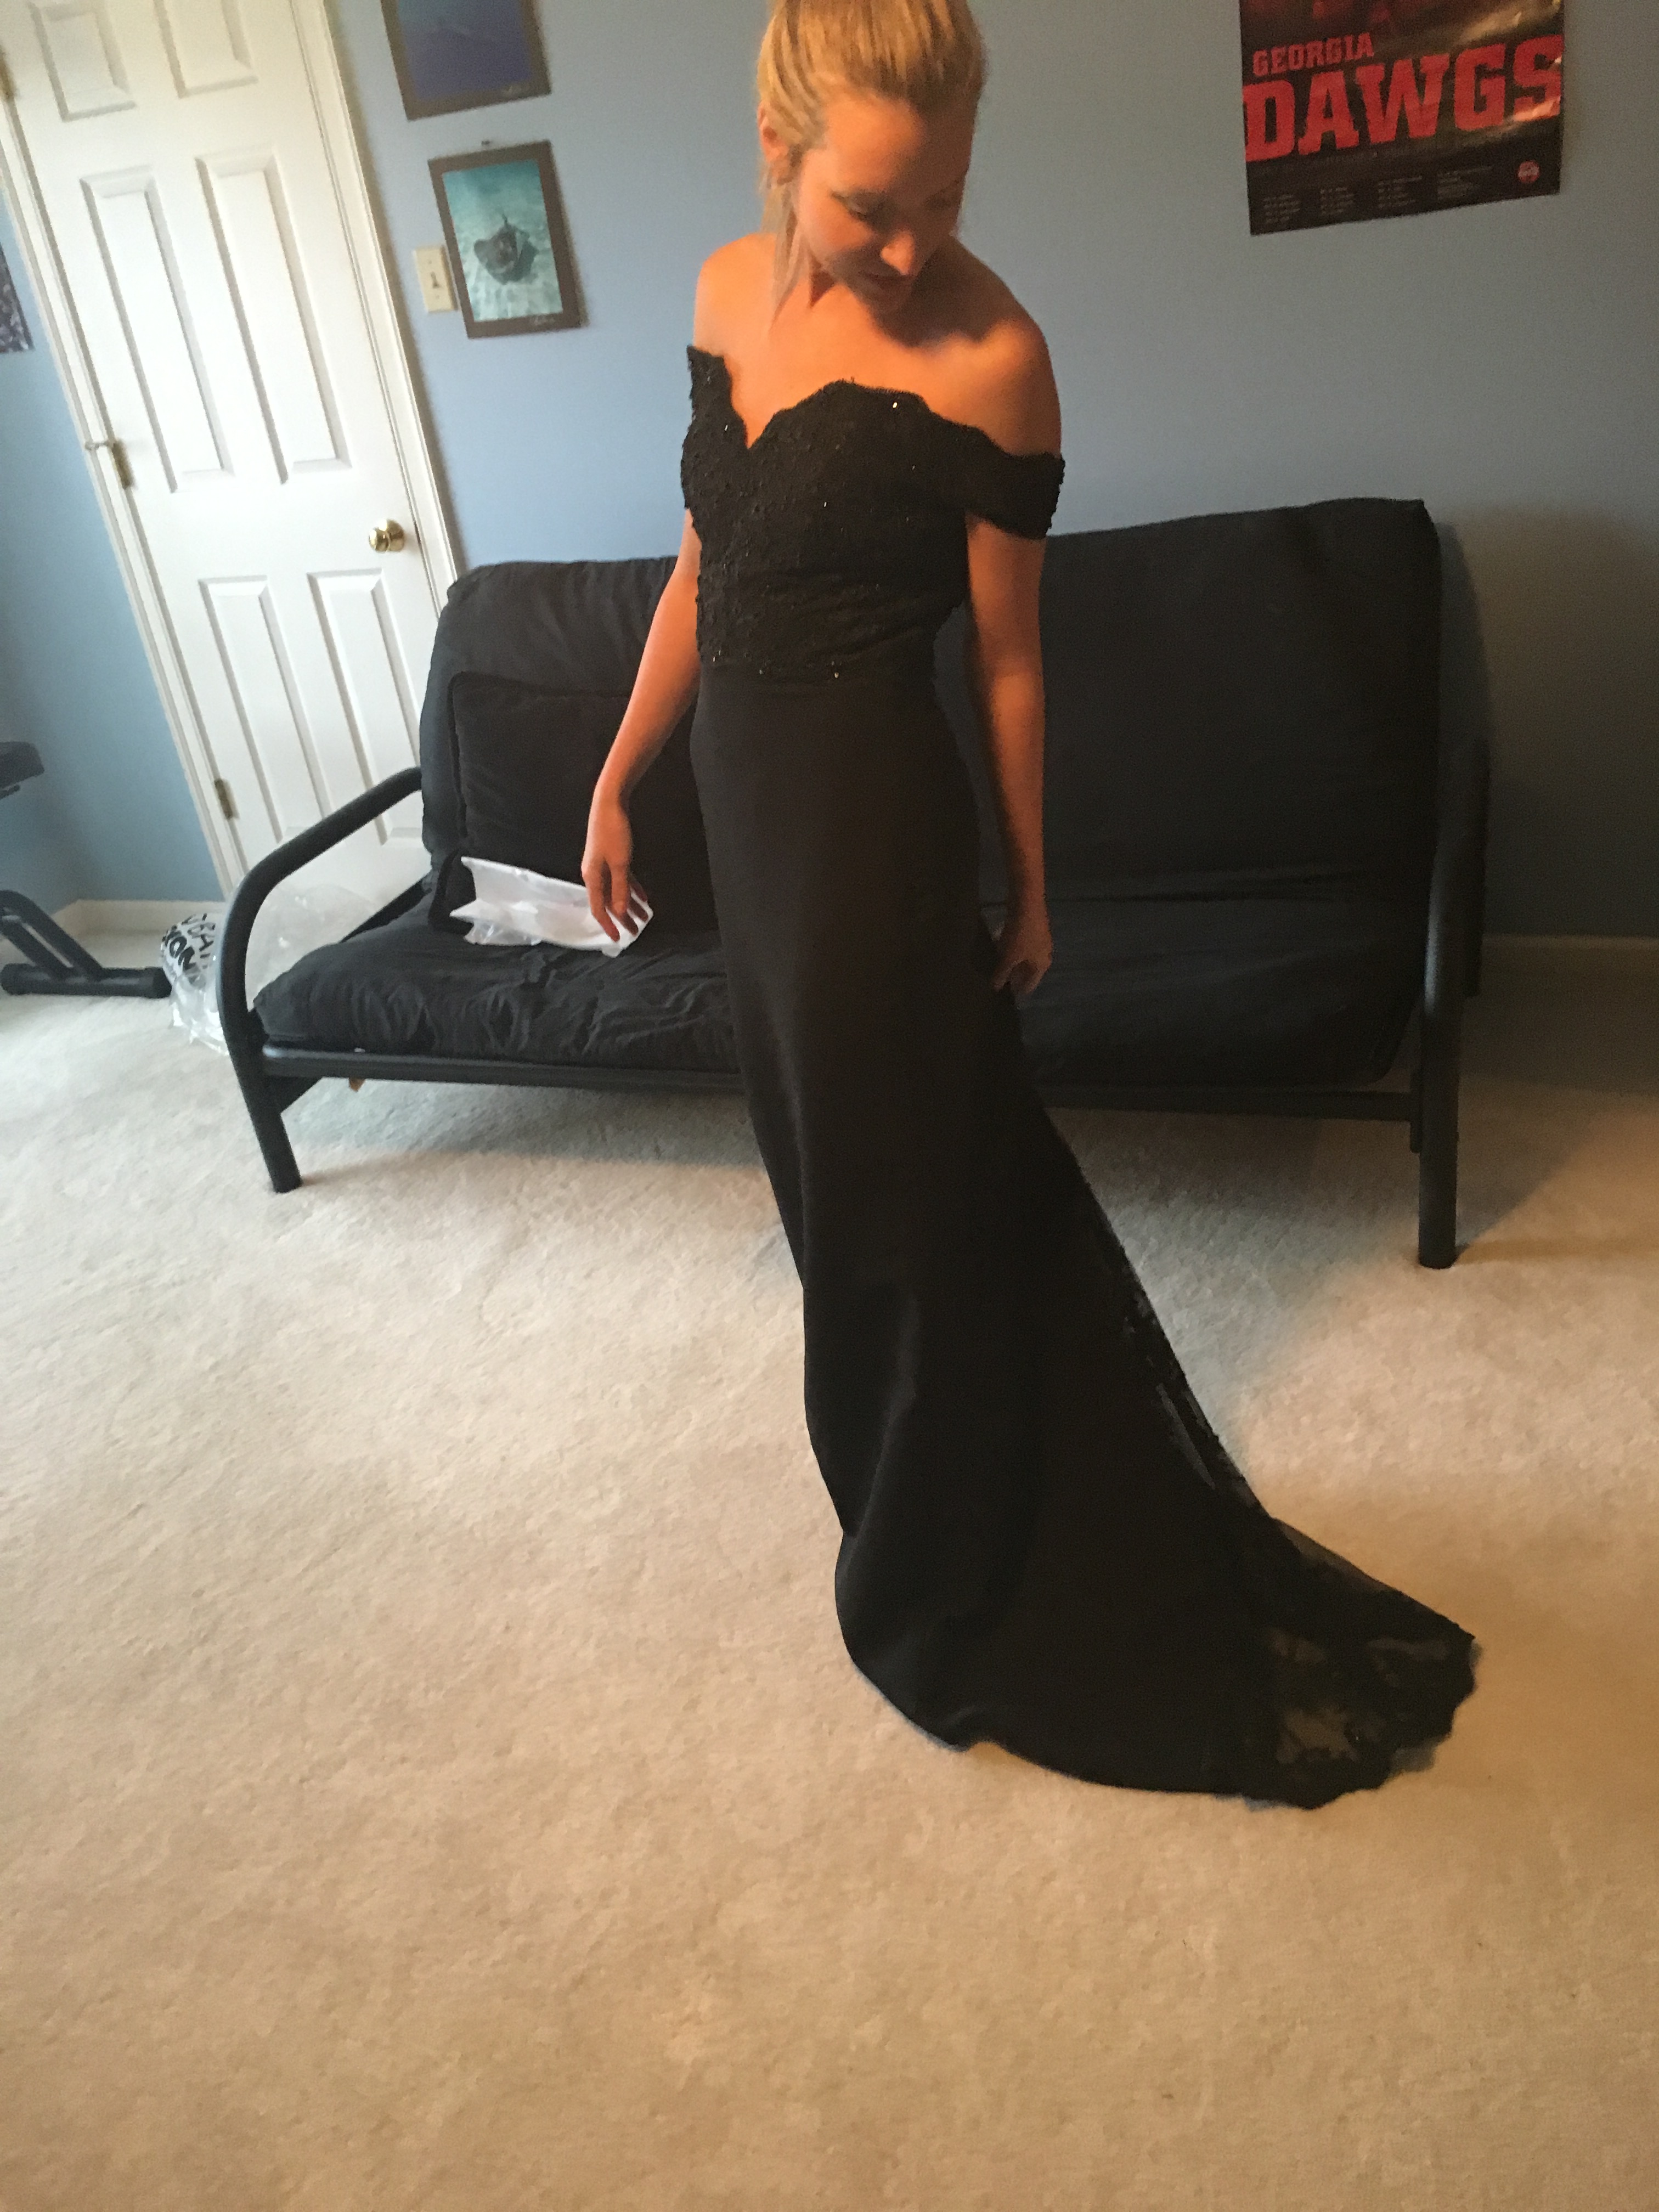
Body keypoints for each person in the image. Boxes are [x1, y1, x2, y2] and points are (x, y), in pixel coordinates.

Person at [582, 0, 1479, 1809]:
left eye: (946, 199)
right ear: (778, 156)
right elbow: (700, 568)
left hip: (872, 833)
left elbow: (1006, 660)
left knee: (907, 1206)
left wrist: (1035, 884)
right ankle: (914, 1518)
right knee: (832, 1194)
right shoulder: (718, 294)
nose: (917, 248)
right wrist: (615, 774)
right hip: (748, 824)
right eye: (871, 207)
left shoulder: (995, 359)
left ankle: (965, 1571)